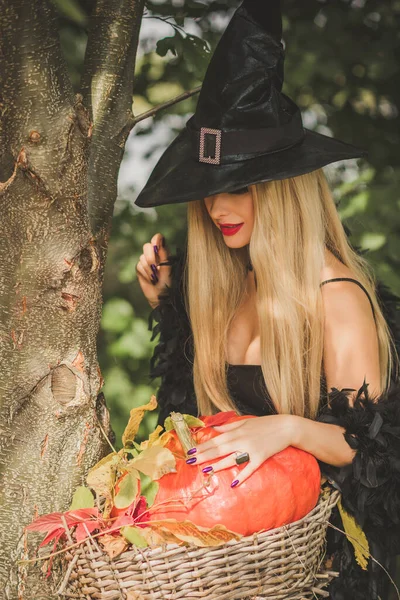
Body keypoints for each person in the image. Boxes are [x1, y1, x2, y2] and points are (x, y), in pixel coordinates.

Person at [134, 1, 400, 598]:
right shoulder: (235, 283)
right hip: (233, 562)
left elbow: (372, 450)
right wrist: (169, 309)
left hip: (322, 568)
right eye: (209, 190)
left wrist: (285, 428)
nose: (217, 208)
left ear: (283, 191)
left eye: (240, 188)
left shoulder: (337, 296)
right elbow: (199, 415)